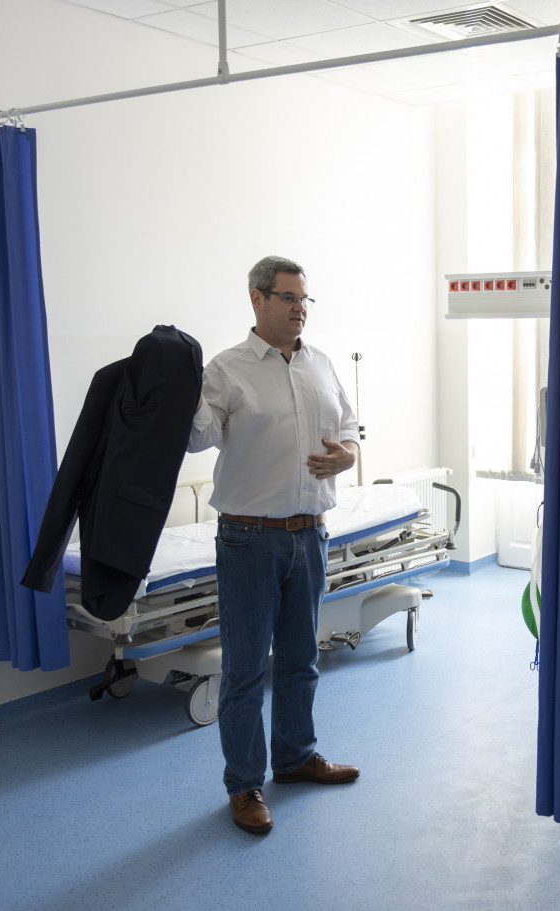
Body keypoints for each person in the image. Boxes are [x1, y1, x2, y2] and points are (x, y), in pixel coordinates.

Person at [188, 255, 361, 835]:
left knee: (301, 660)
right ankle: (244, 785)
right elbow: (197, 437)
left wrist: (347, 456)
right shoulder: (227, 369)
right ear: (257, 300)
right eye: (288, 297)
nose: (299, 309)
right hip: (248, 539)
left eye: (304, 299)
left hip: (309, 534)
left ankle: (294, 757)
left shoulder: (322, 364)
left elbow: (350, 428)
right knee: (243, 670)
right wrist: (178, 393)